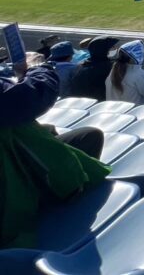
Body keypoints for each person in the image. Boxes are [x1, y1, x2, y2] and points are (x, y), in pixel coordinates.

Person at [1, 52, 109, 247]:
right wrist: (37, 67)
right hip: (10, 195)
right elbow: (27, 98)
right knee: (89, 136)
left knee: (57, 131)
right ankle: (67, 201)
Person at [68, 35, 119, 101]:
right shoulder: (108, 68)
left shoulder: (80, 66)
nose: (116, 48)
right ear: (104, 50)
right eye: (113, 47)